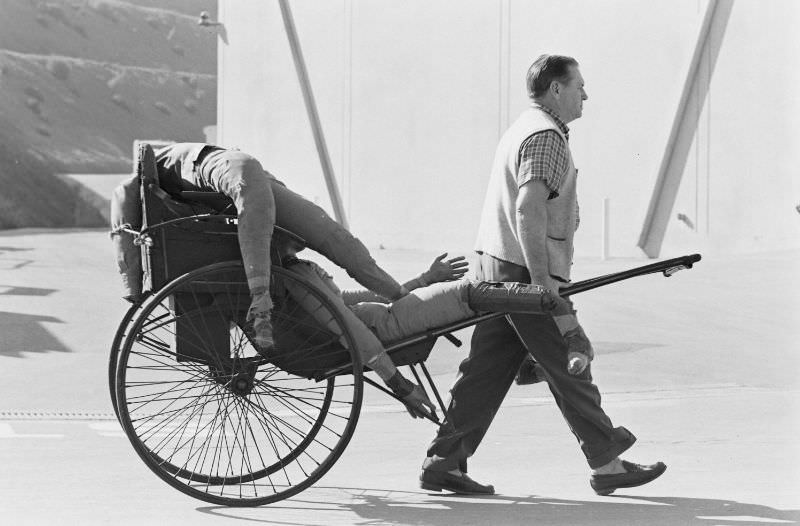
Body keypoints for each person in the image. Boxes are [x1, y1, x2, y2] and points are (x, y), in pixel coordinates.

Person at [418, 55, 666, 497]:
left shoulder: (521, 128)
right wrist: (542, 289)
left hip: (495, 263)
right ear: (556, 89)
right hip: (524, 270)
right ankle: (607, 461)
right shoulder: (546, 137)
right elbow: (528, 209)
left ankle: (444, 461)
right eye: (579, 86)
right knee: (570, 356)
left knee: (487, 369)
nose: (585, 94)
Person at [110, 142, 425, 406]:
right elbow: (347, 321)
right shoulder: (297, 272)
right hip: (224, 173)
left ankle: (397, 294)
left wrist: (419, 284)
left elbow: (342, 301)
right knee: (333, 239)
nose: (299, 252)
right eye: (296, 248)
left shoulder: (297, 266)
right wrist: (398, 383)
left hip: (198, 170)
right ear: (285, 241)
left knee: (326, 237)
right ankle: (395, 295)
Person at [272, 232, 592, 418]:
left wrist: (425, 279)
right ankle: (555, 309)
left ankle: (529, 356)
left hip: (389, 315)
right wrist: (400, 385)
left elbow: (349, 300)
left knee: (478, 296)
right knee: (472, 293)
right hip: (389, 326)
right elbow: (347, 329)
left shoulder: (298, 272)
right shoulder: (299, 278)